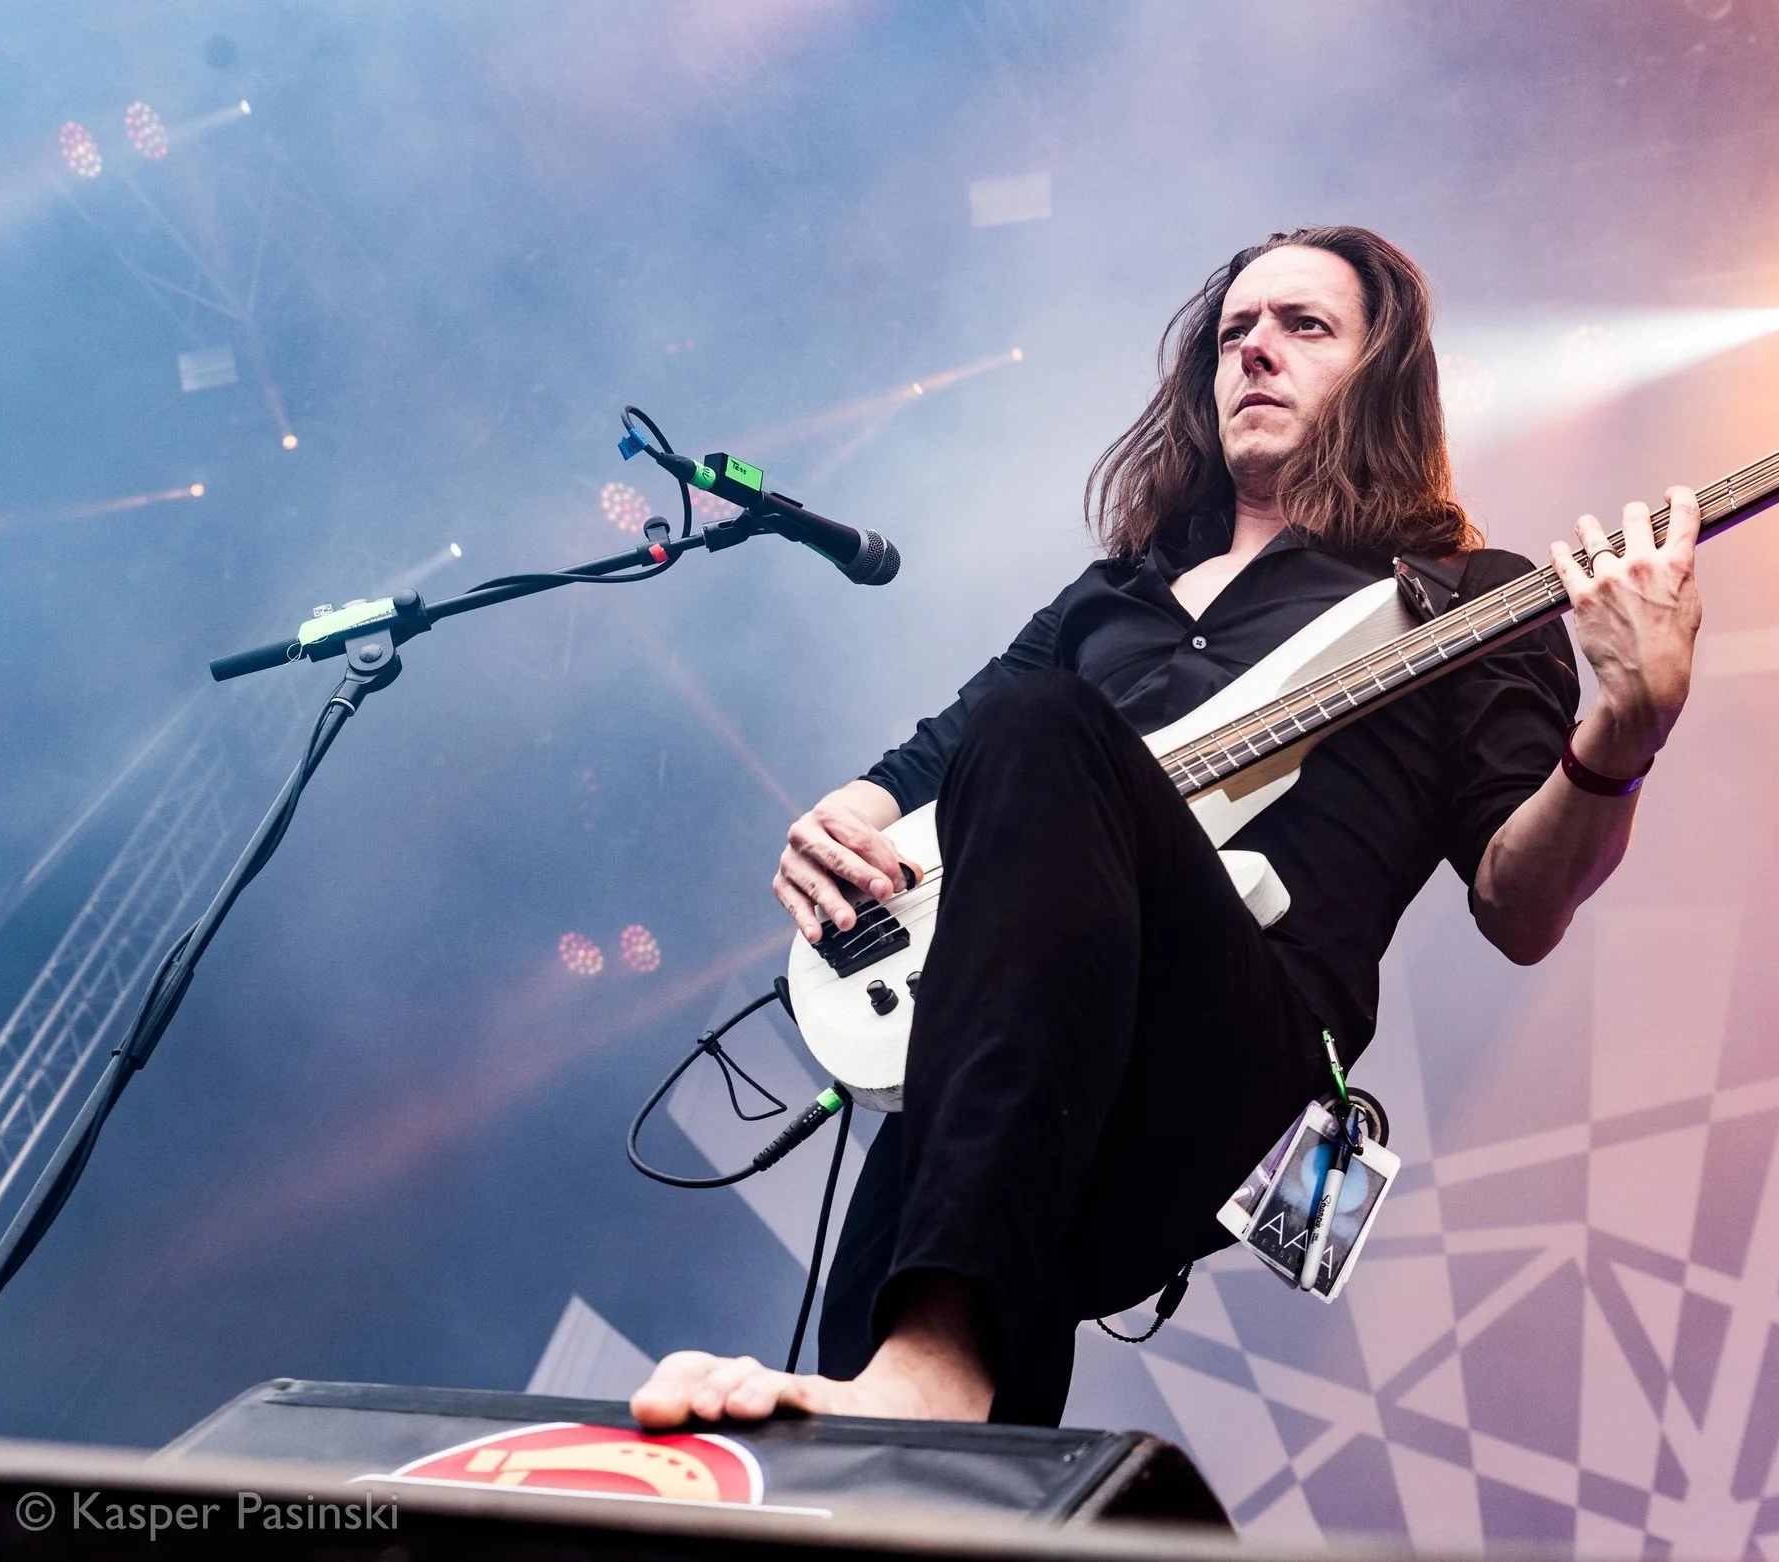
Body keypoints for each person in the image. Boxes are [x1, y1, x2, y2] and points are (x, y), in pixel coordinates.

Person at [631, 226, 1702, 1430]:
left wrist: (1625, 731)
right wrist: (843, 819)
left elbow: (1522, 907)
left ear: (1382, 373)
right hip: (1024, 1052)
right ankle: (896, 1451)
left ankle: (930, 1374)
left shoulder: (1464, 597)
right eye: (1234, 332)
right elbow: (939, 752)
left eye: (1304, 326)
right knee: (910, 1276)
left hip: (1231, 1058)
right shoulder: (1110, 595)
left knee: (1044, 726)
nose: (1255, 351)